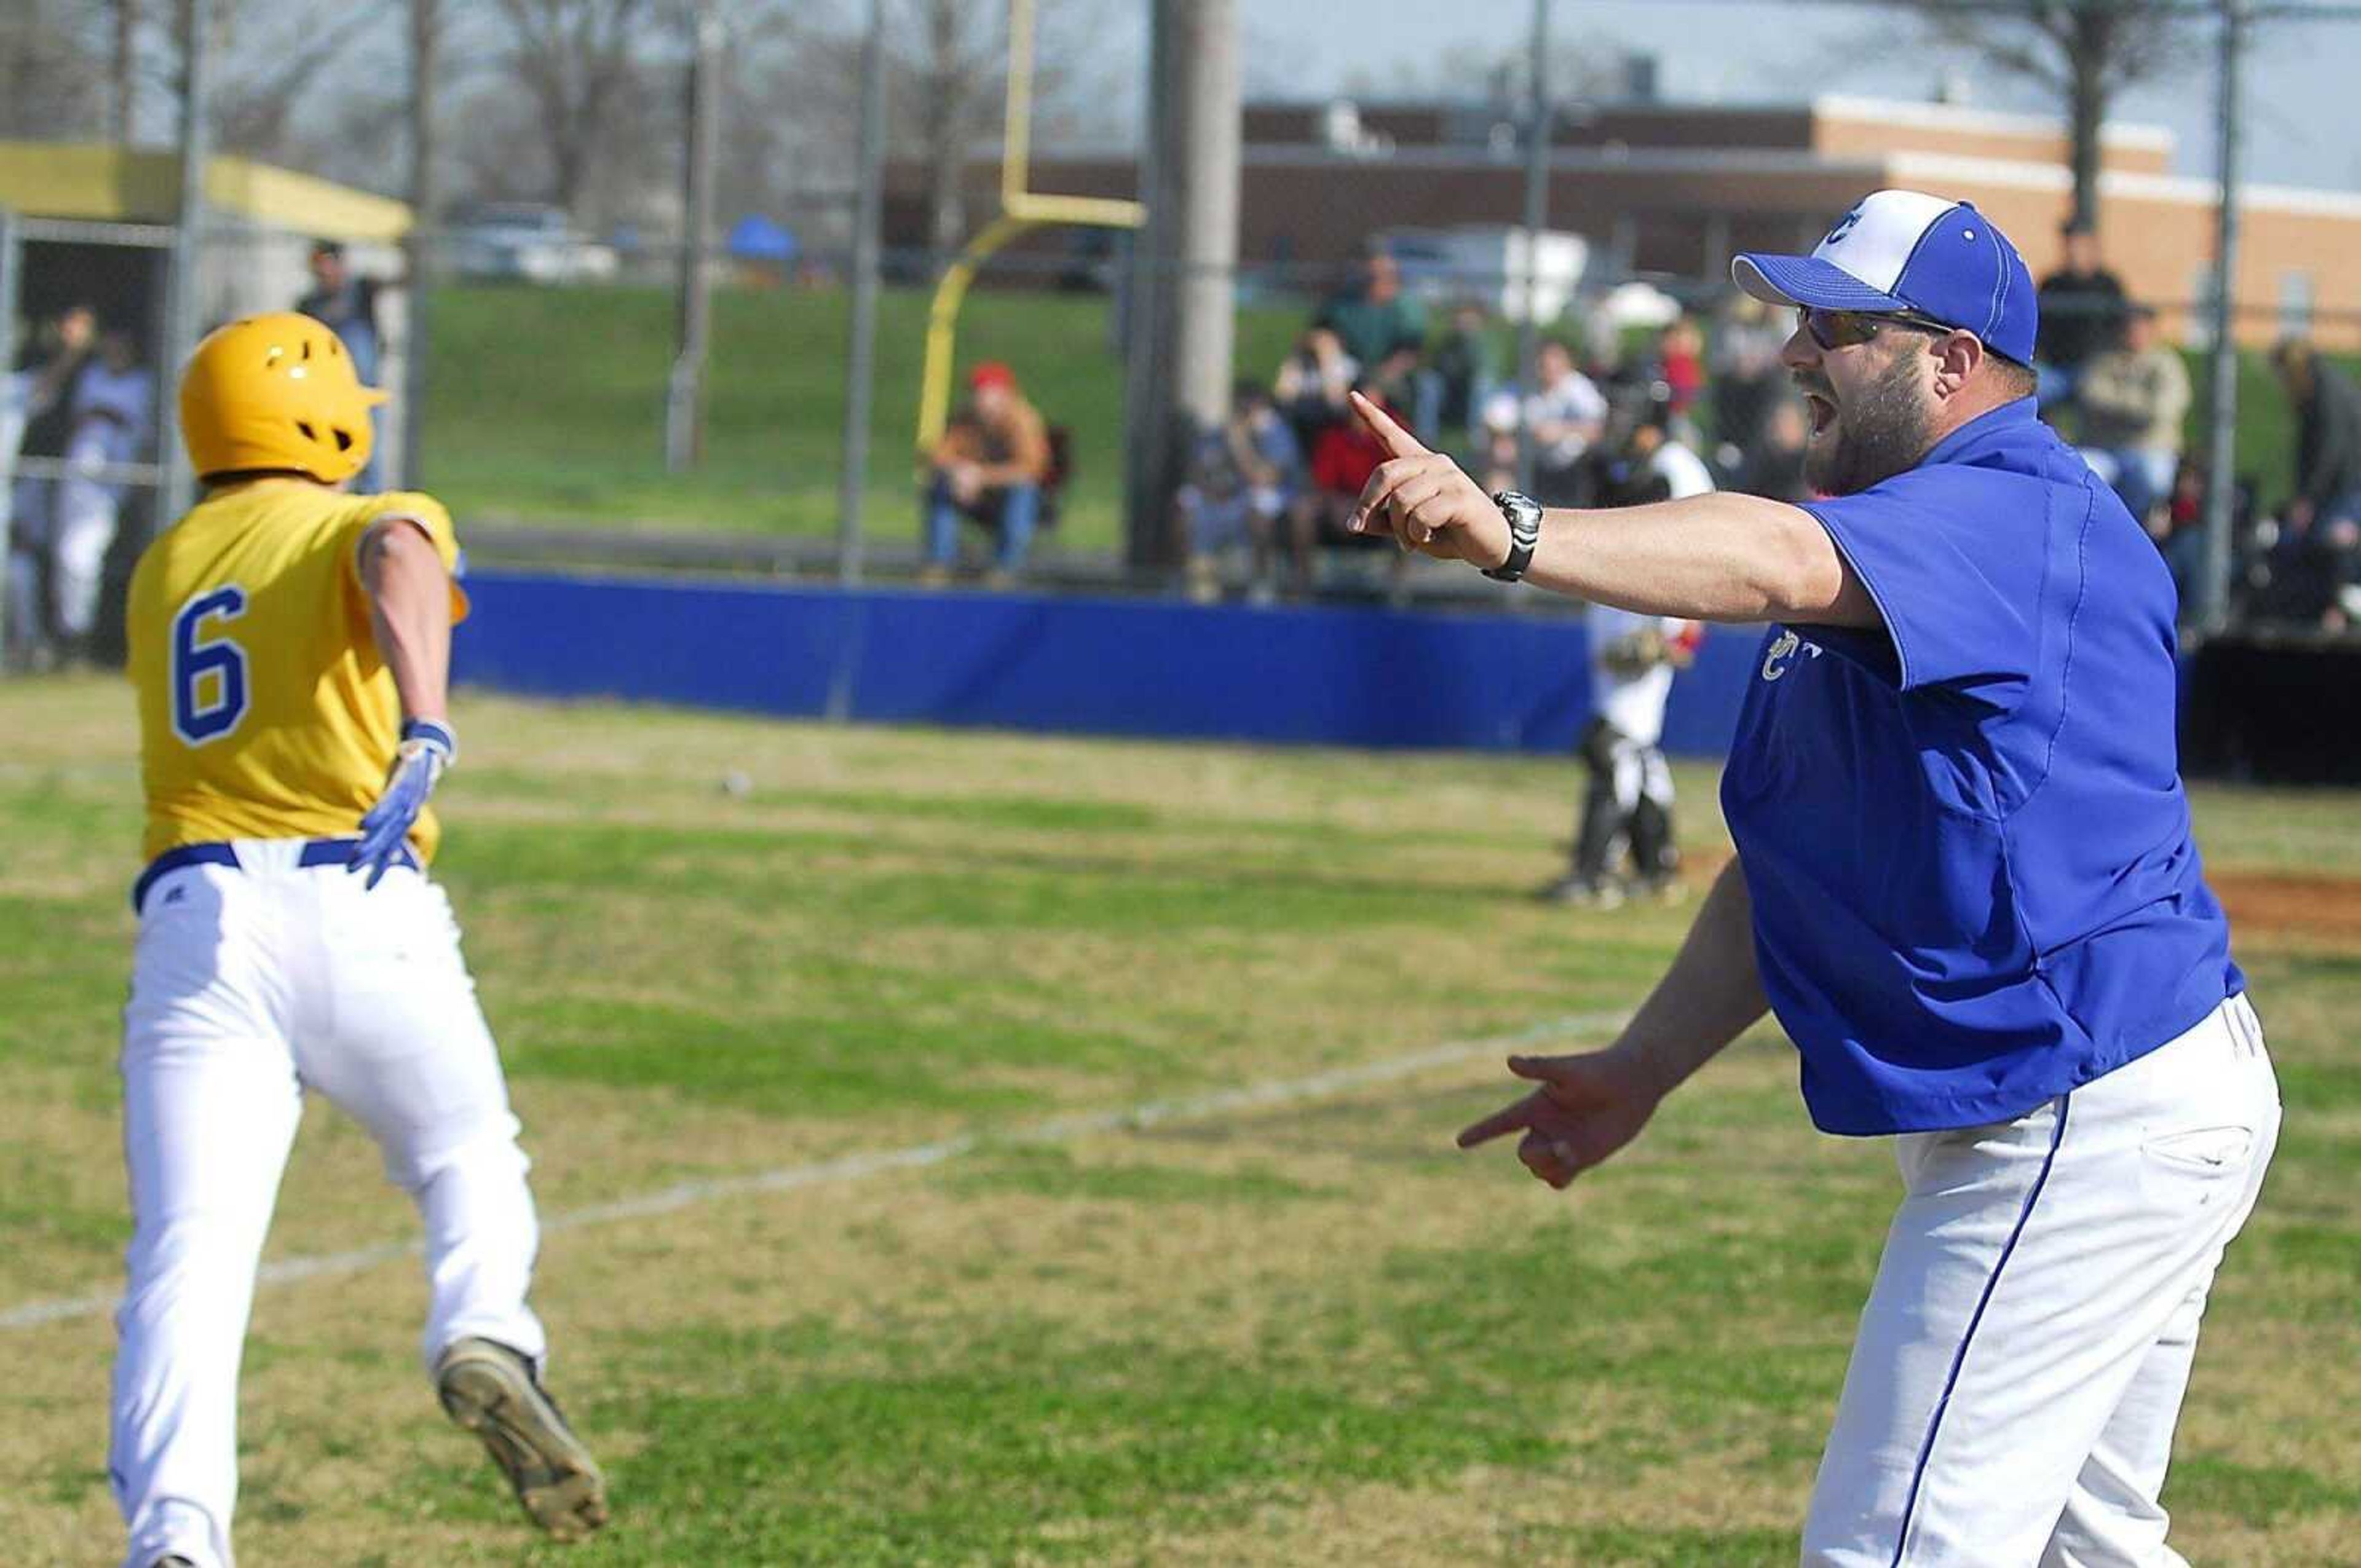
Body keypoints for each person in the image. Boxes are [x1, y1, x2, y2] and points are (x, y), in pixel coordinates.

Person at [1347, 189, 2275, 1564]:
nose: (1795, 353)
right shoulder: (1909, 538)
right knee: (2092, 1551)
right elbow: (1794, 855)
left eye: (1836, 328)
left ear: (1952, 362)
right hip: (2098, 1097)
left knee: (1897, 1546)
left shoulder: (2009, 511)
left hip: (2082, 1105)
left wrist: (1514, 531)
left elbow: (1774, 555)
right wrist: (1650, 1060)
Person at [112, 311, 606, 1568]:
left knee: (191, 1252)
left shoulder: (164, 561)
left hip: (196, 925)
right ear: (318, 419)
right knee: (465, 1154)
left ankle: (175, 1535)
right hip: (359, 887)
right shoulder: (362, 513)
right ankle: (483, 1323)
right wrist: (426, 722)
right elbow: (395, 549)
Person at [1543, 392, 1711, 907]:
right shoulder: (1625, 464)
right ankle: (1656, 865)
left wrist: (1678, 633)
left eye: (1627, 417)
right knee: (1636, 748)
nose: (1617, 426)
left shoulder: (1677, 468)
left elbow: (1702, 548)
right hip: (1618, 611)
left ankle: (1594, 871)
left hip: (1651, 618)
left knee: (1611, 744)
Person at [51, 325, 153, 660]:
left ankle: (78, 638)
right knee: (64, 557)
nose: (114, 352)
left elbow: (142, 435)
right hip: (77, 476)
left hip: (113, 482)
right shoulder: (92, 376)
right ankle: (67, 634)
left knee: (79, 556)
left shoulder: (143, 384)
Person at [3, 304, 97, 668]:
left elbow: (51, 380)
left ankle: (26, 646)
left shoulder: (11, 388)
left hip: (8, 492)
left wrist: (74, 348)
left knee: (20, 570)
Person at [920, 361, 1052, 586]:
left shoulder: (1023, 421)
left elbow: (1031, 469)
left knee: (1022, 491)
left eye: (989, 393)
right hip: (974, 496)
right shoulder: (965, 420)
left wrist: (982, 477)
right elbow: (938, 457)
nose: (982, 399)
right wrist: (958, 474)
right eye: (978, 393)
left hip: (1014, 498)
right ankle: (939, 564)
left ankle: (1005, 568)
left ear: (1006, 394)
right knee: (940, 486)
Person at [1174, 380, 1303, 602]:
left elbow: (1263, 479)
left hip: (1264, 504)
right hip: (1223, 499)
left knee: (1258, 515)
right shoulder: (1217, 434)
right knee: (1185, 510)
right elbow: (1199, 473)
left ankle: (1261, 585)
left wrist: (1239, 443)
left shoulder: (1276, 434)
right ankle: (1192, 584)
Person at [2076, 304, 2190, 527]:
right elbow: (2091, 396)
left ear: (2152, 331)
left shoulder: (2166, 363)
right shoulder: (2103, 358)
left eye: (2141, 328)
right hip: (2104, 447)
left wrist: (2118, 406)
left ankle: (2134, 529)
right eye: (2130, 327)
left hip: (2150, 448)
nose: (2134, 333)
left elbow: (2163, 409)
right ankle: (2097, 529)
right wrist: (2140, 406)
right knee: (2080, 471)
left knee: (2153, 479)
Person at [295, 240, 386, 490]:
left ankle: (370, 499)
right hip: (325, 392)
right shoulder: (309, 304)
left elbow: (397, 281)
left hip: (361, 389)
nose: (323, 272)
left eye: (327, 264)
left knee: (370, 451)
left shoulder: (361, 290)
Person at [2033, 219, 2125, 414]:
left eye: (2078, 243)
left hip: (2098, 369)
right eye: (2069, 243)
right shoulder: (2052, 283)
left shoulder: (2108, 285)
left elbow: (2121, 328)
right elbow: (2038, 329)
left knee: (2099, 395)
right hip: (2056, 368)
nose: (2073, 249)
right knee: (2029, 391)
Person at [1314, 242, 1426, 374]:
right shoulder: (1342, 304)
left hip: (1392, 376)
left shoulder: (1405, 308)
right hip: (1347, 369)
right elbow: (1319, 334)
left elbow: (1410, 352)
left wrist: (1380, 383)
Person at [1523, 339, 1608, 506]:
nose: (1550, 369)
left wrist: (1559, 431)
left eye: (1555, 363)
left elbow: (1597, 430)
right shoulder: (1528, 389)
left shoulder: (1579, 388)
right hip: (1535, 467)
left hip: (1576, 469)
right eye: (1545, 364)